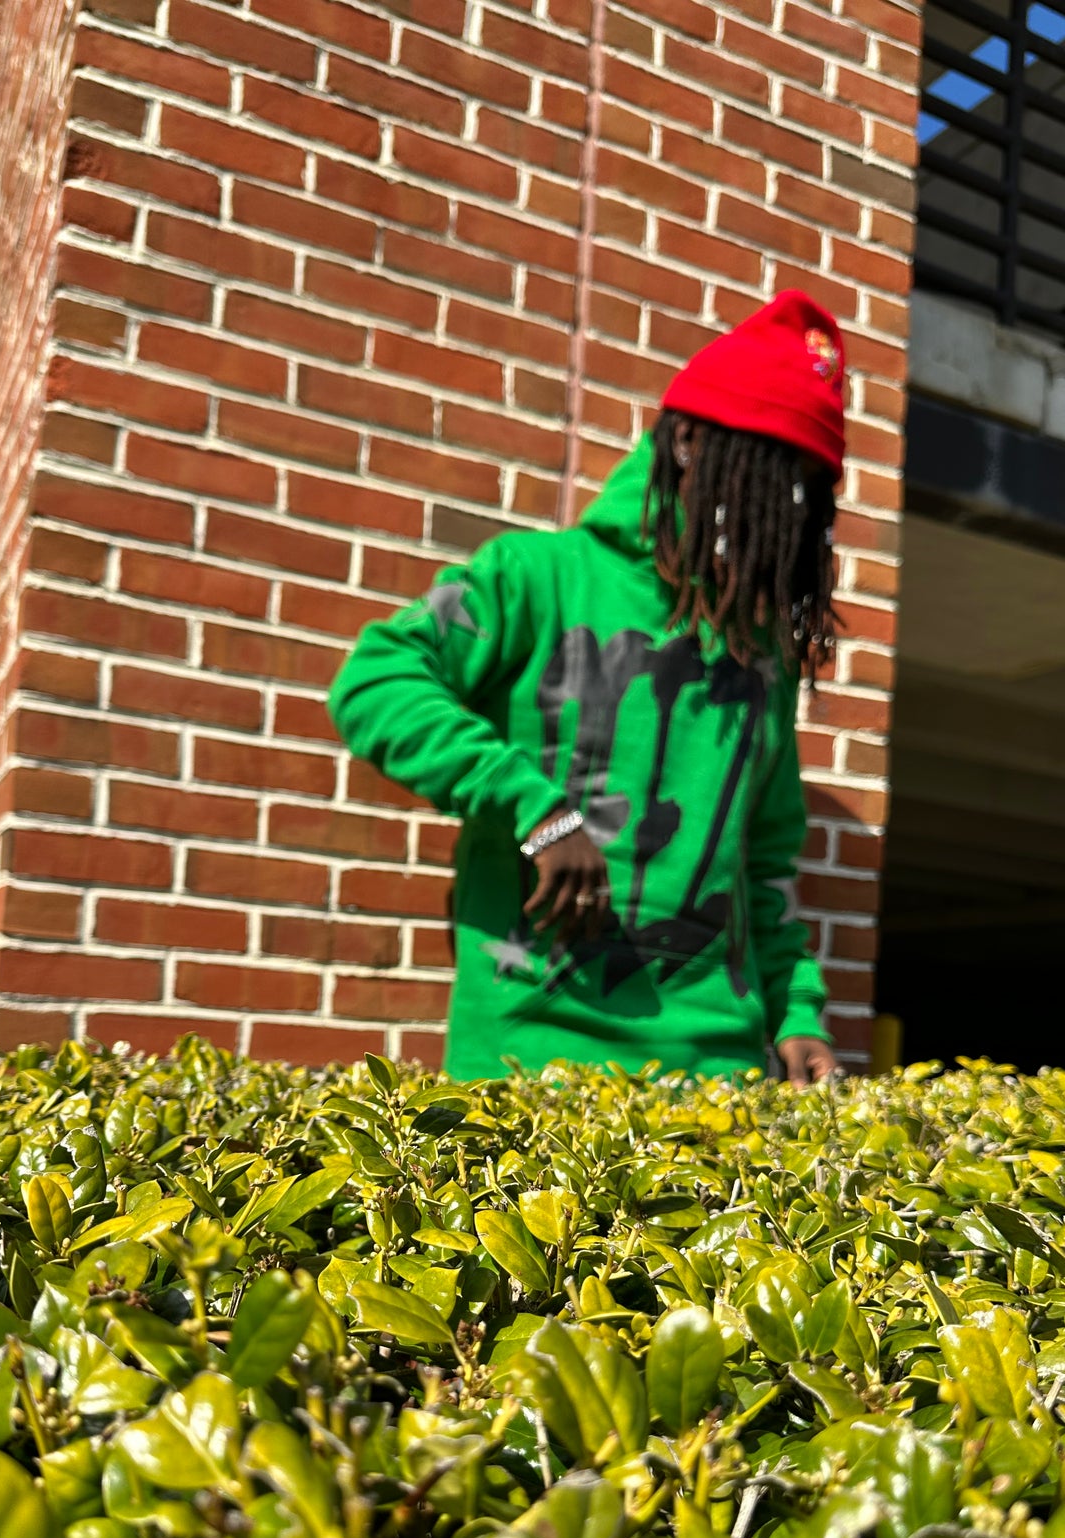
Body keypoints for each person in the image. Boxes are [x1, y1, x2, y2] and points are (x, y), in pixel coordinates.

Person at [328, 290, 845, 1088]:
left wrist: (796, 1015)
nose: (786, 508)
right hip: (526, 1066)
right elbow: (375, 679)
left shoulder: (760, 653)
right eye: (767, 475)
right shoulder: (534, 579)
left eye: (807, 490)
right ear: (682, 442)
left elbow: (765, 860)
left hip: (718, 1082)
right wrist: (534, 808)